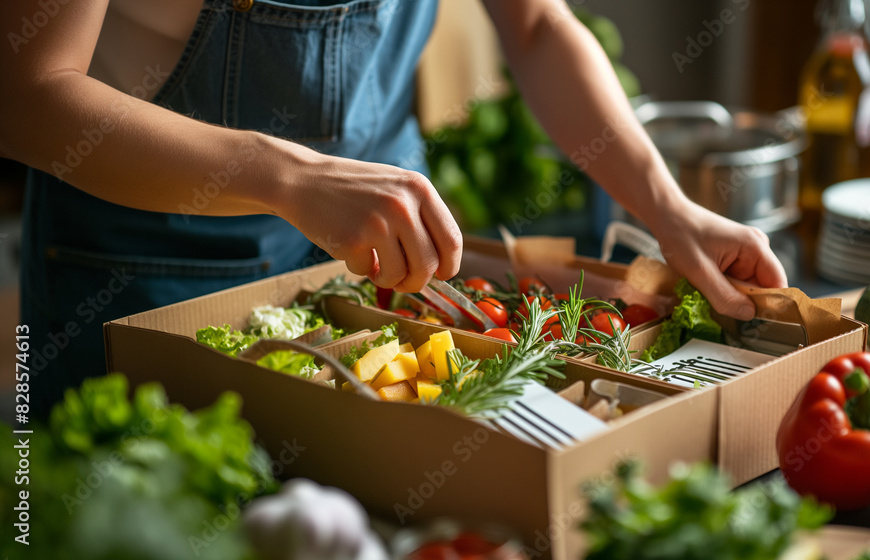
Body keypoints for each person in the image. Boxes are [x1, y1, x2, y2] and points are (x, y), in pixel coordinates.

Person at [1, 0, 787, 412]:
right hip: (152, 257)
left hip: (388, 250)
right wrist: (293, 176)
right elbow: (26, 95)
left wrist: (667, 208)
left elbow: (539, 24)